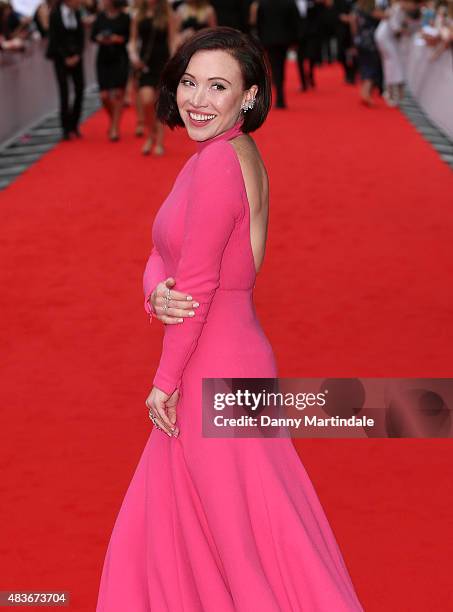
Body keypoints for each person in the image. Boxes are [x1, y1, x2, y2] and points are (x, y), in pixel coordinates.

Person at [96, 26, 365, 611]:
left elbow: (198, 281)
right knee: (237, 527)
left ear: (249, 96)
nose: (197, 98)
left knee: (235, 543)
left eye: (218, 86)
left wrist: (164, 382)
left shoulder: (217, 161)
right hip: (230, 356)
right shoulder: (226, 153)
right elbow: (165, 257)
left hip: (208, 367)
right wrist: (154, 292)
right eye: (190, 81)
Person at [128, 0, 177, 155]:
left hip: (163, 62)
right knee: (146, 100)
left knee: (159, 103)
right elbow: (133, 40)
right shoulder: (138, 15)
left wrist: (173, 62)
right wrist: (134, 57)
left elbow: (172, 39)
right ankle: (152, 133)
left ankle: (158, 140)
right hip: (145, 64)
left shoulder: (168, 15)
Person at [91, 0, 130, 141]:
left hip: (120, 58)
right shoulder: (100, 17)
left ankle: (114, 127)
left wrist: (117, 39)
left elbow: (129, 37)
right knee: (104, 96)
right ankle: (114, 119)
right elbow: (93, 37)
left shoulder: (125, 17)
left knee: (119, 93)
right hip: (103, 58)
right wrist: (101, 38)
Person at [46, 0, 85, 140]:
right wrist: (65, 57)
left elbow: (81, 36)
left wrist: (78, 55)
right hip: (60, 59)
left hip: (76, 57)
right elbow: (54, 39)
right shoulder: (55, 14)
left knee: (80, 89)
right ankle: (65, 128)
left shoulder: (77, 13)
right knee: (64, 92)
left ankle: (74, 124)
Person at [252, 0, 300, 108]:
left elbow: (259, 23)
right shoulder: (289, 2)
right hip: (284, 40)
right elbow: (295, 21)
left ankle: (278, 91)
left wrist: (261, 40)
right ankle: (280, 92)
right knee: (281, 65)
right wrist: (295, 40)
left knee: (274, 65)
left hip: (268, 40)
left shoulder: (263, 3)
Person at [374, 0, 422, 106]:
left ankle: (394, 93)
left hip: (390, 39)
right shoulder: (396, 9)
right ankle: (392, 93)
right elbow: (395, 28)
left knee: (392, 64)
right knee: (392, 64)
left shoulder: (402, 11)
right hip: (385, 38)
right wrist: (406, 32)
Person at [351, 0, 382, 105]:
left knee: (364, 66)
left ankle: (365, 92)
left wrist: (355, 38)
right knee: (372, 67)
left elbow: (353, 22)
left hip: (360, 40)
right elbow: (385, 16)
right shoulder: (371, 10)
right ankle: (366, 94)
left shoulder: (357, 8)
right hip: (370, 42)